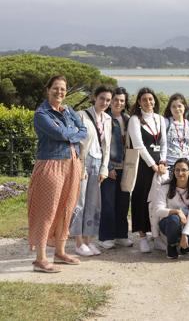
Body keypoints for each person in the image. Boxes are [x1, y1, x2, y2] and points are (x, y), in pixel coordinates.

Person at [29, 75, 87, 273]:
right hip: (50, 165)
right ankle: (40, 258)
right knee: (47, 211)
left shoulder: (69, 110)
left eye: (63, 89)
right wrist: (71, 132)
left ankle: (60, 252)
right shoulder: (41, 113)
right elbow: (61, 134)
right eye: (56, 88)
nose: (59, 92)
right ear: (48, 89)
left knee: (66, 208)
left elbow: (84, 130)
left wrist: (69, 132)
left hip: (73, 163)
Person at [70, 85, 113, 257]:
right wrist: (80, 165)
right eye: (102, 98)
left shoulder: (108, 119)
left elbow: (107, 147)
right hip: (84, 161)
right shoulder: (81, 115)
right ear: (94, 97)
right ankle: (78, 242)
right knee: (79, 202)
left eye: (108, 100)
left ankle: (88, 240)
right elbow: (75, 143)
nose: (104, 102)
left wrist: (104, 168)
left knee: (94, 204)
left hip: (98, 162)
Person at [128, 87, 168, 253]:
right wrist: (153, 165)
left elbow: (164, 143)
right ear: (139, 102)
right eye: (144, 100)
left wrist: (163, 162)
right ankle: (143, 237)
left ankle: (156, 236)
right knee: (141, 200)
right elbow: (138, 146)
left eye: (151, 99)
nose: (148, 102)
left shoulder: (160, 119)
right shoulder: (135, 120)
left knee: (158, 200)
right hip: (143, 166)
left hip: (160, 166)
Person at [98, 87, 133, 249]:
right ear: (110, 101)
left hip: (126, 168)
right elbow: (101, 145)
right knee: (108, 203)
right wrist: (109, 167)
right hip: (109, 167)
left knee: (123, 203)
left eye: (122, 100)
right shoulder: (105, 118)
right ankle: (106, 236)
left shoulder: (128, 119)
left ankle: (121, 235)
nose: (118, 103)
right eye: (116, 100)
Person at [150, 158, 189, 259]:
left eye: (183, 170)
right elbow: (157, 210)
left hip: (186, 222)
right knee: (174, 219)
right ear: (173, 171)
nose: (180, 173)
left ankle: (182, 243)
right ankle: (171, 246)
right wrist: (177, 211)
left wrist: (185, 234)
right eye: (177, 170)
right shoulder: (165, 186)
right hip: (168, 223)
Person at [164, 93, 189, 167]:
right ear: (170, 108)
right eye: (173, 107)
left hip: (186, 165)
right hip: (169, 164)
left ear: (184, 107)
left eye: (179, 106)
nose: (177, 109)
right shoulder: (166, 122)